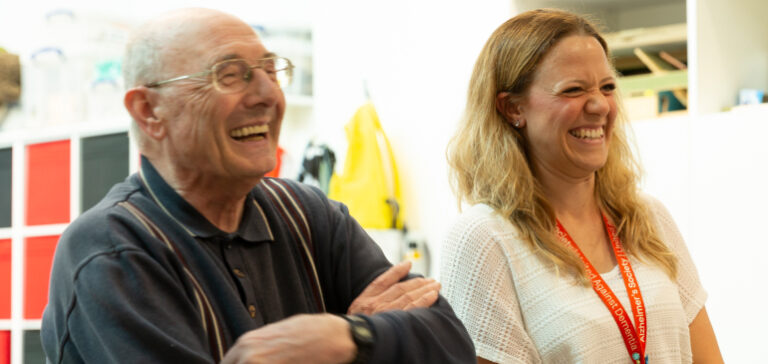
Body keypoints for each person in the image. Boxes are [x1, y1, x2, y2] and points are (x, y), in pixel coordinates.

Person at [40, 8, 474, 364]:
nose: (268, 93)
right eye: (230, 75)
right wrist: (355, 345)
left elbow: (451, 341)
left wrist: (347, 334)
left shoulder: (308, 213)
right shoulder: (112, 250)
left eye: (271, 69)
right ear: (149, 110)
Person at [441, 8, 723, 364]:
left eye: (607, 87)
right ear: (513, 108)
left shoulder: (648, 218)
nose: (599, 105)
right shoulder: (484, 241)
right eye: (573, 90)